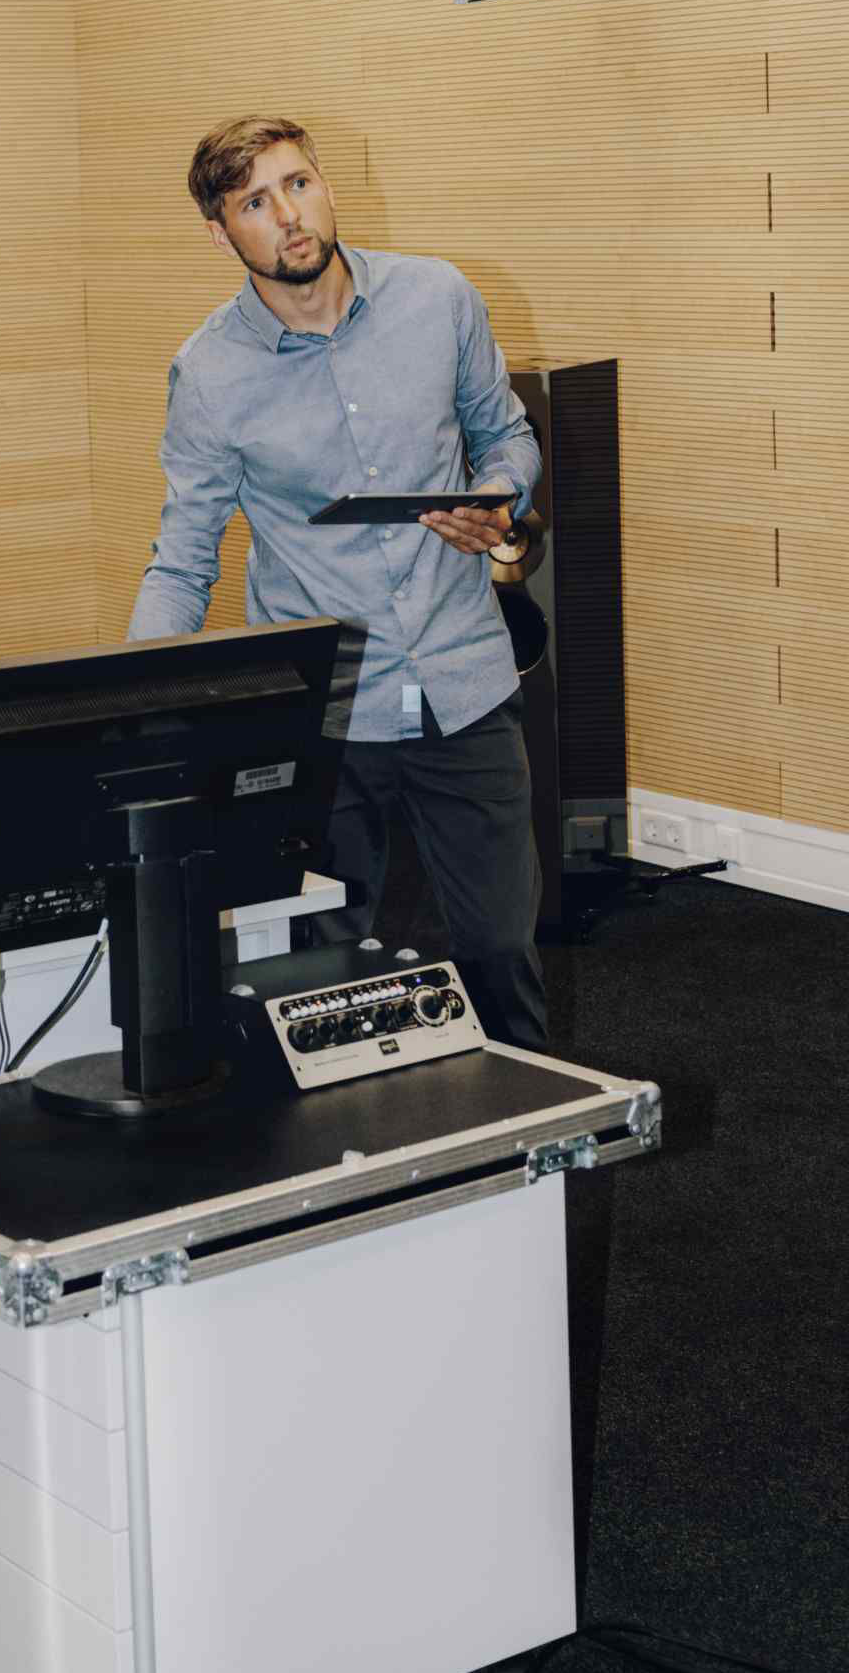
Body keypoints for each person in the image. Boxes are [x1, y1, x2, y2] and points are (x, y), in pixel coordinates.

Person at [128, 114, 546, 1050]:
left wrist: (497, 494)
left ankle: (531, 1132)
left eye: (299, 184)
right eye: (255, 203)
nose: (289, 215)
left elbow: (507, 435)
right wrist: (135, 699)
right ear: (220, 234)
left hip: (464, 682)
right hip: (323, 709)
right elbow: (185, 556)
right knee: (320, 974)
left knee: (500, 951)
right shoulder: (209, 374)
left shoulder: (438, 297)